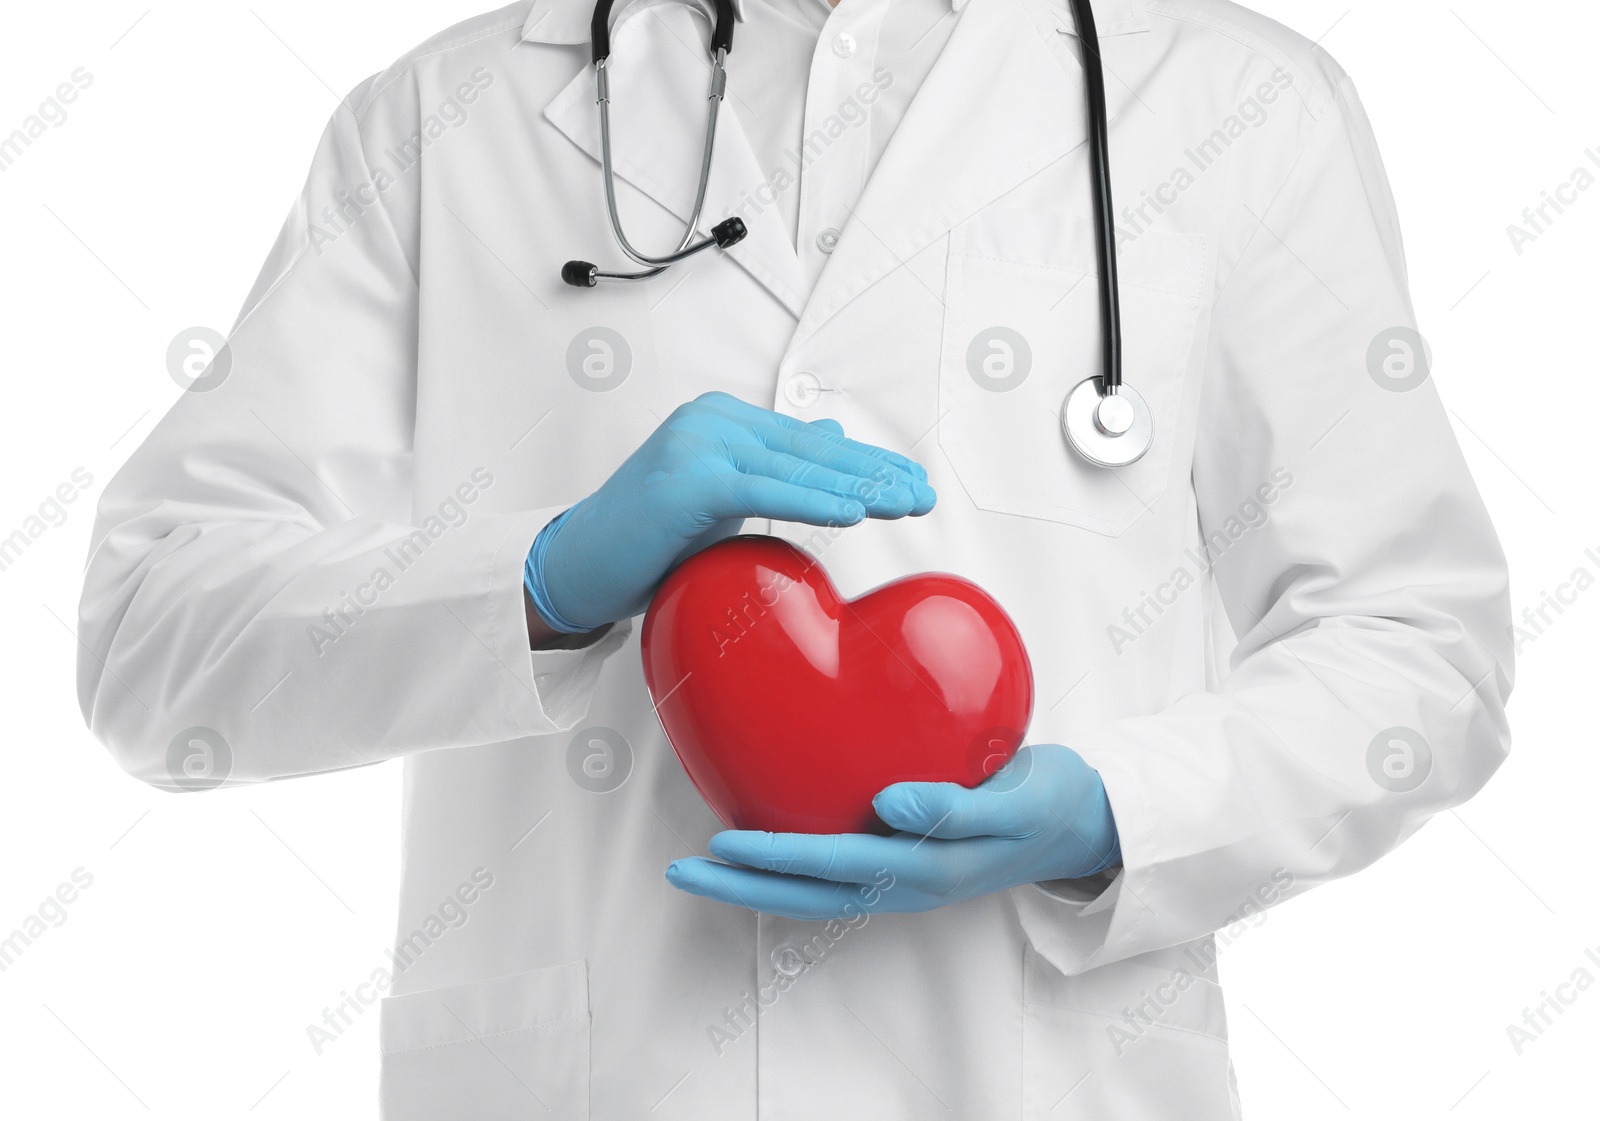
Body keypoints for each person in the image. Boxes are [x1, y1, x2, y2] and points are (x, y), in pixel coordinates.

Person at [76, 0, 1512, 1116]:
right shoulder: (444, 125)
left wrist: (1112, 813)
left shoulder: (1231, 103)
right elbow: (152, 635)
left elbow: (1418, 648)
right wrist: (546, 578)